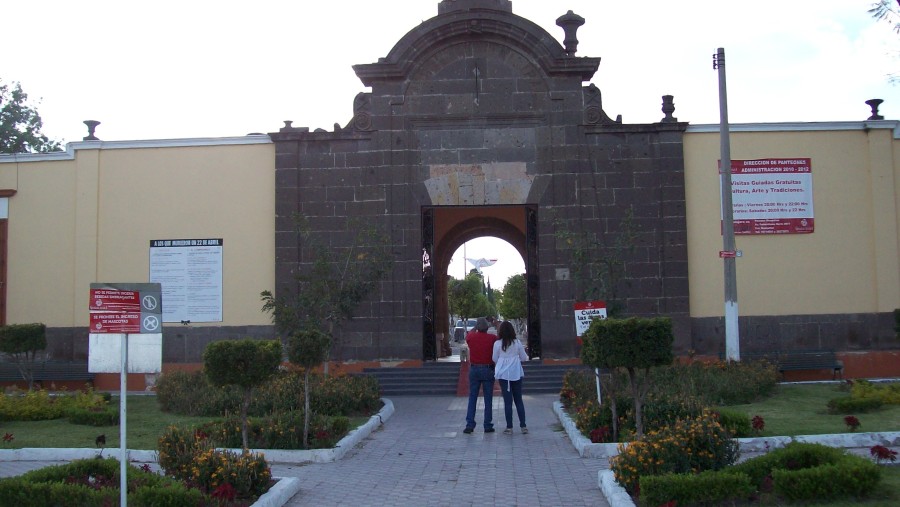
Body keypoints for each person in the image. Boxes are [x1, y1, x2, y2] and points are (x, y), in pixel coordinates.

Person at [492, 320, 528, 435]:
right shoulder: (517, 343)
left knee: (508, 401)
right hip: (516, 373)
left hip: (503, 375)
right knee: (518, 400)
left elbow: (494, 358)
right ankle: (523, 426)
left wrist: (503, 363)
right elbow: (523, 358)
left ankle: (509, 427)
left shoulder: (497, 344)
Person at [463, 317, 498, 434]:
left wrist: (475, 327)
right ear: (487, 327)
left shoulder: (471, 337)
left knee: (472, 397)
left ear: (477, 327)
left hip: (474, 369)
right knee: (488, 398)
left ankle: (470, 425)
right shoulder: (492, 338)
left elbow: (468, 335)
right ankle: (487, 425)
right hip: (488, 369)